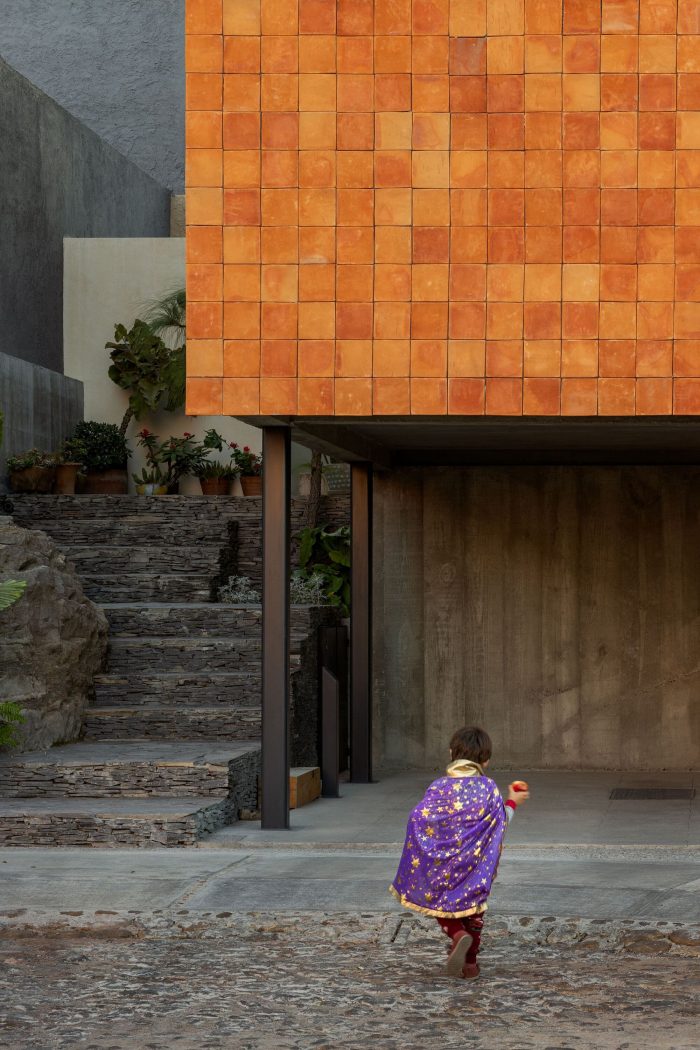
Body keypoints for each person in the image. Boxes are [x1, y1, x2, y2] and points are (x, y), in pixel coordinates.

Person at [390, 725, 530, 979]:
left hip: (442, 865)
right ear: (486, 761)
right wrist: (513, 801)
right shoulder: (488, 788)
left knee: (438, 900)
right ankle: (470, 965)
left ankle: (456, 934)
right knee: (475, 912)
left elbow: (419, 817)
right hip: (476, 865)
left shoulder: (438, 787)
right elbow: (499, 823)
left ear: (450, 753)